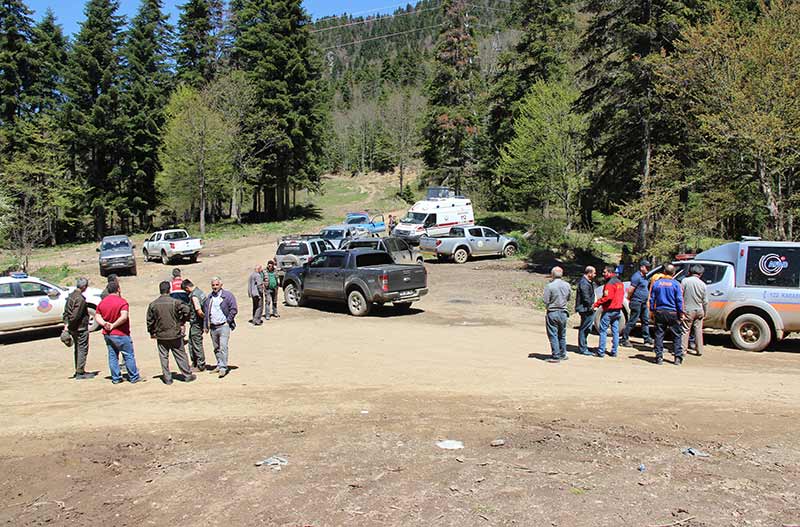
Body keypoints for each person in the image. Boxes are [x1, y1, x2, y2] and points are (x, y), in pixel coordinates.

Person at [147, 281, 195, 384]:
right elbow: (187, 310)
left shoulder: (153, 304)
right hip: (175, 333)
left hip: (161, 335)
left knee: (163, 356)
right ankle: (187, 375)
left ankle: (167, 378)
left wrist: (152, 332)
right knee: (180, 354)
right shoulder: (175, 302)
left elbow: (149, 320)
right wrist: (182, 320)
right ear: (169, 290)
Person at [94, 281, 141, 384]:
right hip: (121, 333)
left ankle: (116, 378)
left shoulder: (102, 302)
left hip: (108, 334)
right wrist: (113, 325)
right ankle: (134, 377)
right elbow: (124, 317)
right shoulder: (122, 302)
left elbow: (97, 316)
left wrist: (105, 324)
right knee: (128, 355)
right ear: (118, 289)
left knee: (113, 356)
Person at [203, 277, 238, 379]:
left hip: (223, 325)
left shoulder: (227, 296)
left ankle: (223, 367)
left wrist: (228, 321)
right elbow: (206, 313)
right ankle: (219, 364)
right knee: (216, 348)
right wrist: (206, 326)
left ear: (221, 285)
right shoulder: (209, 298)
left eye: (216, 285)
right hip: (213, 327)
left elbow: (234, 309)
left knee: (223, 346)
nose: (215, 287)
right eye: (213, 285)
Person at [650, 264, 685, 365]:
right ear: (673, 273)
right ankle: (677, 357)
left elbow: (652, 298)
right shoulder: (676, 284)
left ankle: (659, 357)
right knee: (677, 335)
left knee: (659, 334)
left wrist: (652, 310)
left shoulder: (657, 283)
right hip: (673, 312)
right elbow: (679, 300)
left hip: (660, 311)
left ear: (664, 272)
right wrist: (681, 312)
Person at [63, 277, 94, 379]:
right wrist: (70, 326)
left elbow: (66, 313)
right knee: (82, 349)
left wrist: (67, 325)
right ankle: (80, 372)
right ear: (84, 287)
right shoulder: (80, 299)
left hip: (74, 328)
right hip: (80, 328)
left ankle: (78, 370)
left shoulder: (71, 296)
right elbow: (75, 316)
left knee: (77, 349)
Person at [593, 266, 625, 358]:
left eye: (604, 272)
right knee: (615, 331)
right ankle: (614, 351)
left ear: (610, 273)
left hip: (609, 310)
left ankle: (601, 351)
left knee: (603, 330)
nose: (603, 274)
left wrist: (596, 304)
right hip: (618, 310)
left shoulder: (610, 284)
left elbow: (608, 297)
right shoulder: (620, 283)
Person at [622, 260, 654, 347]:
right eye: (646, 267)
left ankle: (646, 338)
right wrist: (629, 298)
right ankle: (624, 339)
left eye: (649, 267)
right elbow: (631, 289)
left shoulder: (645, 277)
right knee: (633, 321)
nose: (648, 269)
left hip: (643, 302)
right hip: (637, 302)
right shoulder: (636, 276)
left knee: (645, 321)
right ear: (641, 267)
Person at [542, 266, 571, 362]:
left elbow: (545, 300)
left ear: (552, 275)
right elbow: (569, 298)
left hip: (553, 312)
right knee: (562, 334)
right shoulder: (567, 285)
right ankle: (563, 353)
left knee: (553, 334)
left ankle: (556, 355)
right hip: (563, 312)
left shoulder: (550, 286)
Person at [681, 264, 707, 356]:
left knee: (685, 330)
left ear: (690, 272)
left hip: (688, 310)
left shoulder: (685, 281)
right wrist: (705, 312)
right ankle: (699, 350)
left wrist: (681, 310)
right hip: (699, 310)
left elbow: (680, 296)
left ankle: (683, 350)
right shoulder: (703, 284)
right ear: (700, 274)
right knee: (698, 330)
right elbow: (705, 301)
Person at [182, 279, 207, 371]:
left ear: (187, 288)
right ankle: (196, 363)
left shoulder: (194, 296)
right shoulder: (200, 292)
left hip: (196, 323)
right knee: (192, 343)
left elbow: (199, 311)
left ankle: (200, 365)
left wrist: (205, 320)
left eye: (185, 290)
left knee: (196, 343)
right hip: (197, 323)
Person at [575, 266, 597, 356]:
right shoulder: (584, 283)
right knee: (584, 328)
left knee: (587, 328)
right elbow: (586, 297)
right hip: (585, 309)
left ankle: (584, 346)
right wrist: (591, 306)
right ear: (589, 273)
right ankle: (583, 348)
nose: (595, 275)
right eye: (594, 273)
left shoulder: (588, 282)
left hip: (587, 308)